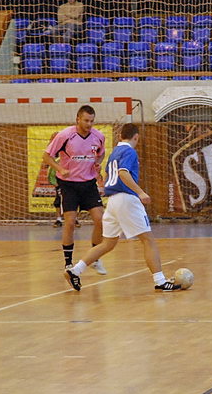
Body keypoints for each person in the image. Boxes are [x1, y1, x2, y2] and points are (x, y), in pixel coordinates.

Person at [64, 124, 181, 292]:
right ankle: (160, 281)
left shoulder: (114, 153)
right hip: (127, 199)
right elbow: (123, 173)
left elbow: (107, 175)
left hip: (112, 201)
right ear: (136, 137)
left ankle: (75, 270)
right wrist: (141, 193)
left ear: (120, 136)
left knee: (108, 243)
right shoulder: (129, 152)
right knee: (148, 240)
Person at [42, 105, 107, 274]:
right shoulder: (65, 136)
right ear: (78, 119)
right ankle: (68, 263)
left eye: (92, 121)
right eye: (86, 120)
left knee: (100, 219)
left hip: (89, 183)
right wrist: (59, 168)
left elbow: (101, 153)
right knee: (70, 223)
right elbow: (46, 156)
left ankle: (94, 258)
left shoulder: (98, 136)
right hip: (68, 184)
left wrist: (98, 162)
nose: (89, 124)